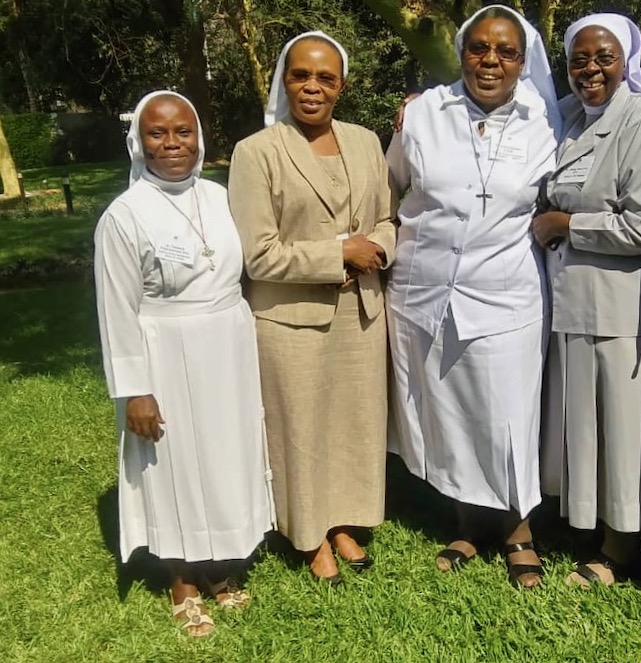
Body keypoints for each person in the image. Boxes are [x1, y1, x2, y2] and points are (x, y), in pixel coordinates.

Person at [386, 5, 559, 588]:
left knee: (507, 416)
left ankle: (517, 531)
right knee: (447, 412)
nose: (491, 61)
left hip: (505, 293)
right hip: (424, 289)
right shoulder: (421, 115)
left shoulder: (545, 122)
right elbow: (393, 187)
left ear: (522, 60)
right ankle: (465, 521)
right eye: (479, 48)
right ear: (461, 53)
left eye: (506, 52)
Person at [94, 90, 275, 636]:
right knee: (171, 462)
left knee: (223, 454)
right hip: (164, 348)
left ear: (199, 136)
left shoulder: (221, 196)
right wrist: (136, 390)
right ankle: (182, 578)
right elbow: (116, 310)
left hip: (227, 343)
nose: (171, 144)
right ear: (138, 142)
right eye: (157, 134)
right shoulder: (123, 216)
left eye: (183, 132)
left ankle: (219, 566)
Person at [228, 31, 396, 585]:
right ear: (284, 80)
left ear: (341, 86)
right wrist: (337, 253)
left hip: (360, 313)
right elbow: (258, 255)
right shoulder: (258, 152)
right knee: (301, 427)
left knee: (353, 422)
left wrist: (380, 248)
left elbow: (388, 219)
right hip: (292, 318)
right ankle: (310, 534)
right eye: (301, 75)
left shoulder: (366, 141)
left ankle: (345, 519)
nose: (312, 87)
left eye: (325, 78)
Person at [533, 13, 641, 589]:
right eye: (579, 59)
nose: (590, 69)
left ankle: (620, 547)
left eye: (604, 57)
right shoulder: (566, 117)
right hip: (567, 300)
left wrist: (567, 223)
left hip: (615, 303)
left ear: (628, 59)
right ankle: (586, 524)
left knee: (617, 424)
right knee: (580, 422)